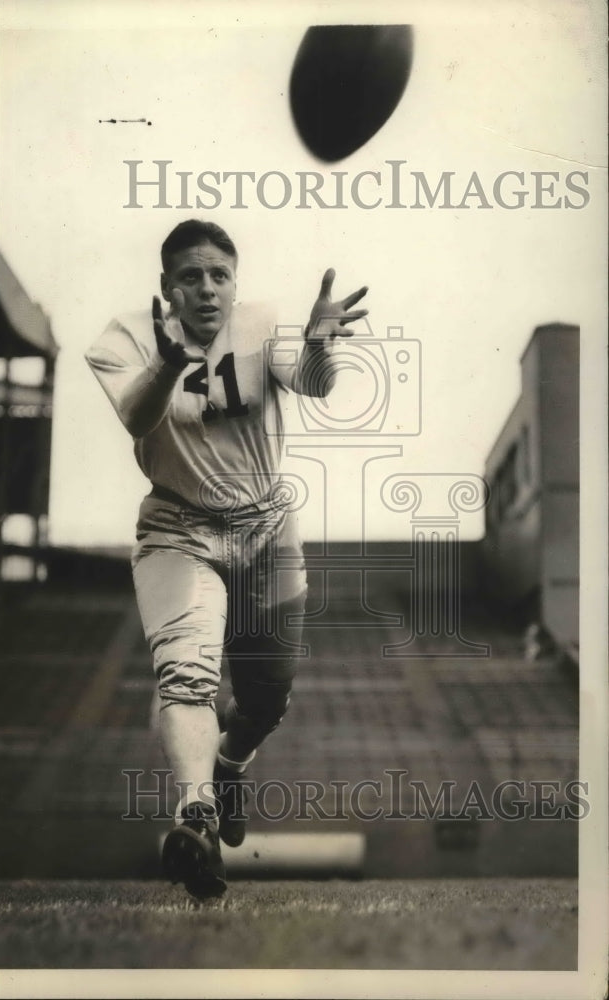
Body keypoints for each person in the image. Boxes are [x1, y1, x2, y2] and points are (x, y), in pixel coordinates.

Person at [85, 220, 367, 899]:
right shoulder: (123, 338)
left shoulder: (262, 325)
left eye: (218, 275)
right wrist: (167, 363)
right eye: (190, 276)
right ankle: (196, 815)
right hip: (178, 530)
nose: (206, 289)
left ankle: (231, 764)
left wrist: (321, 344)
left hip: (267, 528)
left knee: (267, 697)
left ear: (235, 284)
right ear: (166, 287)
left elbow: (314, 384)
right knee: (186, 673)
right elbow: (134, 416)